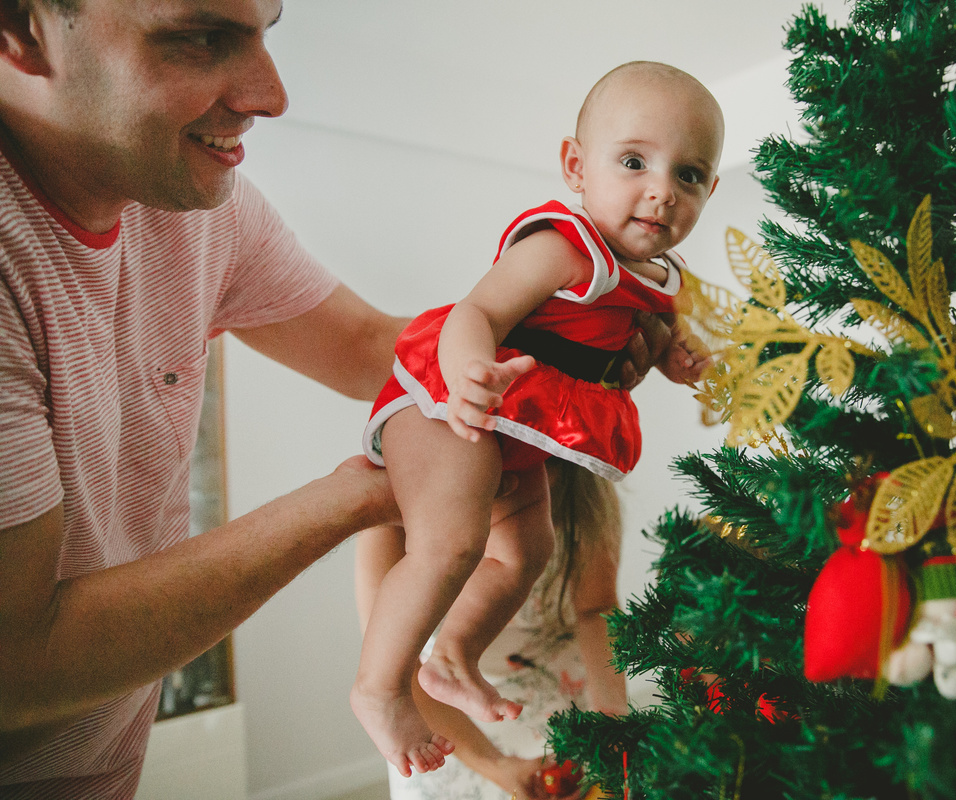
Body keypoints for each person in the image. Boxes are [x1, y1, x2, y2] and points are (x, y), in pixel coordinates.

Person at [0, 2, 665, 797]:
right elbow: (16, 663)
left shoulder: (202, 209)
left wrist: (560, 363)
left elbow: (367, 346)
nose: (272, 94)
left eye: (265, 31)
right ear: (21, 27)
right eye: (201, 37)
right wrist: (352, 498)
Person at [352, 60, 723, 778]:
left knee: (526, 551)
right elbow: (477, 311)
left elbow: (652, 343)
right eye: (634, 162)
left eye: (689, 174)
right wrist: (470, 376)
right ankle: (378, 687)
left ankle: (452, 653)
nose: (662, 190)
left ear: (710, 190)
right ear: (576, 167)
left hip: (523, 431)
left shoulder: (661, 279)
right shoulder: (562, 247)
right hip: (461, 406)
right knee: (454, 542)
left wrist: (677, 361)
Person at [356, 458, 626, 800]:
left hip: (561, 690)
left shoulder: (576, 474)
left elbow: (595, 610)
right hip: (438, 715)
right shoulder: (396, 498)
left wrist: (611, 710)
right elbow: (393, 671)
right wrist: (495, 765)